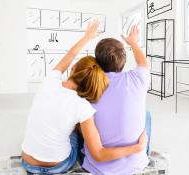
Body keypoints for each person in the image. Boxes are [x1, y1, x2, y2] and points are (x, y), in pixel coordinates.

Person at [21, 21, 147, 175]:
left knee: (72, 128)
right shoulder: (83, 106)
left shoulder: (49, 81)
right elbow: (98, 154)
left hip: (27, 161)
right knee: (145, 117)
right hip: (59, 165)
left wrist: (87, 37)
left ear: (73, 68)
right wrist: (133, 42)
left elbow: (70, 54)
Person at [82, 25, 150, 175]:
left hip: (98, 166)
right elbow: (143, 63)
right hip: (135, 163)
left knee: (82, 120)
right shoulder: (139, 79)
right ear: (124, 59)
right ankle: (140, 151)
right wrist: (133, 42)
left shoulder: (89, 84)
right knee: (148, 116)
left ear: (97, 62)